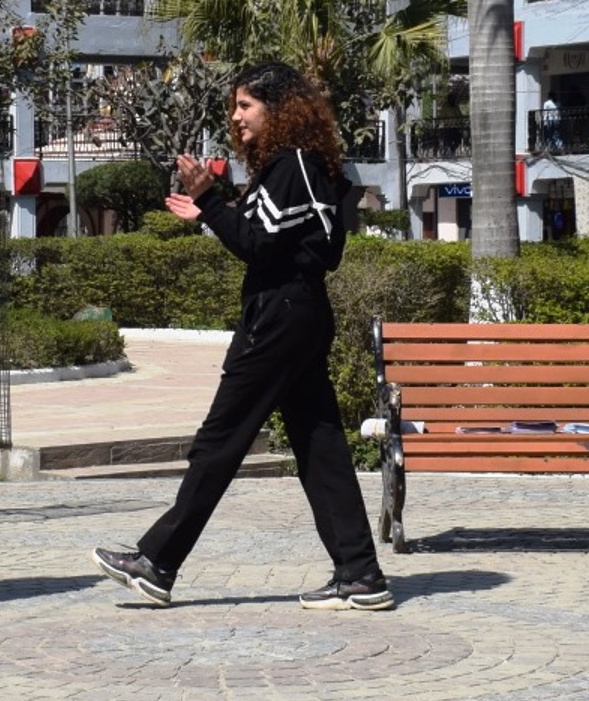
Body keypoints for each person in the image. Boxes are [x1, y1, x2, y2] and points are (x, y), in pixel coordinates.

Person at [92, 61, 392, 611]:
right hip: (300, 314)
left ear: (277, 109)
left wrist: (209, 200)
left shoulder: (291, 164)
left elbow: (257, 244)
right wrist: (216, 206)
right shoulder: (309, 163)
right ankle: (361, 574)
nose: (236, 117)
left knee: (220, 439)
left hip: (278, 318)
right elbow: (273, 235)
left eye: (246, 105)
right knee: (320, 445)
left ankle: (157, 563)